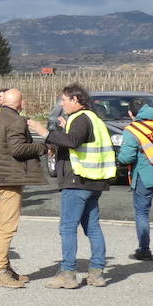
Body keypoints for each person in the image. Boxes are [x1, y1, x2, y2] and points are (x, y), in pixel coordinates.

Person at [43, 84, 114, 288]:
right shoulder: (93, 119)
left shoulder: (81, 118)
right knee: (92, 227)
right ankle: (97, 272)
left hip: (78, 181)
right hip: (93, 181)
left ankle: (68, 273)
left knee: (67, 227)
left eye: (64, 99)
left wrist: (45, 133)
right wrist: (66, 129)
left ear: (76, 100)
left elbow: (73, 141)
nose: (61, 103)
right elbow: (80, 140)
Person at [0, 88, 49, 288]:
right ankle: (0, 271)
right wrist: (42, 147)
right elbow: (18, 149)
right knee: (7, 227)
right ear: (21, 103)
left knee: (2, 224)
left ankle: (5, 268)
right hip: (9, 178)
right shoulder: (17, 121)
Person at [118, 99, 153, 262]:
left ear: (130, 114)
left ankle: (144, 249)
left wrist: (119, 157)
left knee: (142, 213)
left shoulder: (132, 130)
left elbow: (126, 158)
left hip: (145, 177)